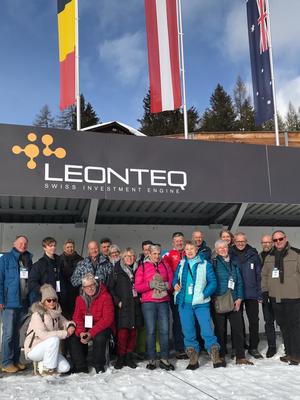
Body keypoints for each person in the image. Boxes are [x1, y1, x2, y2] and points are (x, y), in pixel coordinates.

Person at [173, 241, 223, 369]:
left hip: (201, 304)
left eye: (192, 249)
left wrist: (204, 295)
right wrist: (175, 284)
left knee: (207, 329)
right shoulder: (181, 264)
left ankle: (215, 355)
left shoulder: (205, 264)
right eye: (187, 249)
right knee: (188, 331)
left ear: (196, 250)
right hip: (185, 303)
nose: (189, 251)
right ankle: (193, 358)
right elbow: (175, 279)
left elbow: (213, 283)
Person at [262, 230, 300, 365]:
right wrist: (265, 291)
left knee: (295, 327)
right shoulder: (269, 257)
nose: (278, 242)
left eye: (280, 239)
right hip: (276, 298)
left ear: (285, 238)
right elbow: (265, 276)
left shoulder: (296, 254)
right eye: (275, 240)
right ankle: (289, 353)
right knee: (283, 326)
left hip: (294, 297)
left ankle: (297, 355)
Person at [213, 240, 253, 366]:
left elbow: (240, 282)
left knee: (238, 329)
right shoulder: (213, 263)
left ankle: (240, 356)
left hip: (234, 299)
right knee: (220, 329)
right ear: (216, 250)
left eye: (224, 247)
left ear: (228, 248)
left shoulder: (234, 262)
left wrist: (240, 298)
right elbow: (210, 281)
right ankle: (221, 355)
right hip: (220, 300)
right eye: (220, 248)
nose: (223, 250)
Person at [135, 244, 174, 370]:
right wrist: (150, 284)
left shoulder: (165, 265)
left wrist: (167, 286)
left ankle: (164, 358)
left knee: (164, 330)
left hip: (163, 301)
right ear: (149, 254)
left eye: (158, 253)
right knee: (151, 331)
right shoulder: (142, 267)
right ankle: (151, 358)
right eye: (154, 254)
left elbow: (172, 282)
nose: (157, 256)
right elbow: (138, 286)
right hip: (149, 302)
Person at [68, 273, 114, 373]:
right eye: (86, 287)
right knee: (73, 337)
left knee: (99, 337)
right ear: (83, 288)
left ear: (96, 284)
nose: (90, 288)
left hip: (102, 326)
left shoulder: (105, 296)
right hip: (85, 326)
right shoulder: (79, 299)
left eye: (92, 285)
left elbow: (107, 319)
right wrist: (81, 332)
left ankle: (98, 365)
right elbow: (77, 318)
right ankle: (80, 366)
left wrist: (91, 333)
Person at [24, 284, 75, 376]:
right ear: (43, 301)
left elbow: (66, 322)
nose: (52, 302)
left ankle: (43, 363)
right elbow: (43, 335)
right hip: (34, 349)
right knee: (54, 339)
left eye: (54, 300)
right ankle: (48, 370)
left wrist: (71, 326)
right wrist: (64, 333)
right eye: (49, 300)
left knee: (65, 368)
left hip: (50, 349)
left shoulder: (56, 313)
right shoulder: (38, 315)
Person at [0, 235, 32, 373]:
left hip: (23, 303)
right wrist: (1, 300)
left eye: (25, 243)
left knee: (18, 334)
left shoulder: (28, 259)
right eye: (20, 243)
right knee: (8, 334)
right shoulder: (5, 259)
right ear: (14, 243)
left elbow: (31, 282)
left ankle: (15, 361)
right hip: (9, 303)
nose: (23, 245)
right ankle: (6, 362)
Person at [108, 248, 143, 369]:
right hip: (123, 305)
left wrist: (141, 299)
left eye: (132, 256)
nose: (130, 258)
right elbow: (110, 289)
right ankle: (121, 357)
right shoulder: (116, 270)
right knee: (123, 333)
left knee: (133, 333)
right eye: (127, 256)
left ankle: (129, 356)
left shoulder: (139, 269)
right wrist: (117, 302)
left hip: (135, 304)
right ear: (123, 258)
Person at [231, 233, 263, 359]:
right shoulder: (230, 254)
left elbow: (258, 275)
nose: (240, 243)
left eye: (242, 241)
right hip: (236, 294)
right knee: (237, 323)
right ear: (234, 241)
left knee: (254, 321)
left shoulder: (253, 254)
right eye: (238, 241)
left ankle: (253, 347)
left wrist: (259, 292)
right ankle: (238, 346)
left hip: (251, 293)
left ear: (246, 241)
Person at [162, 232, 186, 359]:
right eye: (177, 241)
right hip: (175, 293)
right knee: (178, 320)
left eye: (181, 240)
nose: (179, 243)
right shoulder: (168, 255)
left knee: (189, 320)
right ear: (173, 243)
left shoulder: (189, 252)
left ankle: (191, 347)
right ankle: (179, 348)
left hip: (189, 293)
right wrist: (173, 284)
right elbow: (165, 273)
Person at [28, 237, 65, 305]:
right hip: (46, 300)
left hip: (60, 298)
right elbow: (31, 282)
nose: (53, 247)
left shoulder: (60, 261)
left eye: (54, 245)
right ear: (44, 248)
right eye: (50, 246)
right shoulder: (39, 264)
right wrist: (43, 290)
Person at [259, 235, 277, 358]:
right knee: (268, 321)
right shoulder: (259, 257)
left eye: (268, 242)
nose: (266, 244)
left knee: (284, 321)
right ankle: (272, 346)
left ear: (273, 243)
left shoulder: (279, 255)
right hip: (265, 293)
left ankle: (289, 346)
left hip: (280, 293)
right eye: (264, 242)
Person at [59, 239, 83, 319]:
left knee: (75, 312)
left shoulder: (80, 259)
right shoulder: (59, 259)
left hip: (75, 290)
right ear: (64, 248)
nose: (70, 249)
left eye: (71, 247)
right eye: (68, 247)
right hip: (63, 290)